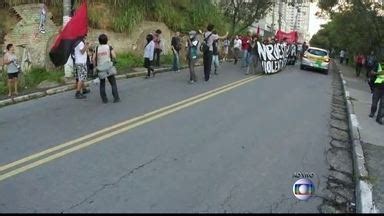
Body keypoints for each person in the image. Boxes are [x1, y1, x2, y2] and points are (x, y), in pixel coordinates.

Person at [93, 34, 120, 104]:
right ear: (106, 40)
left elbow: (93, 59)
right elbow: (114, 56)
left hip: (100, 69)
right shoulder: (109, 47)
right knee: (113, 83)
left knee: (102, 84)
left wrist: (95, 66)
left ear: (99, 41)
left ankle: (104, 100)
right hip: (108, 68)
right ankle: (116, 98)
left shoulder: (96, 48)